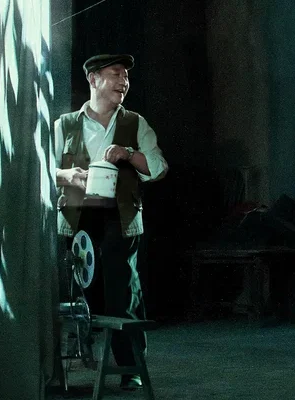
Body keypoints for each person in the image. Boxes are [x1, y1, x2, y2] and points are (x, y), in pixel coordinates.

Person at [54, 53, 168, 390]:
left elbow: (158, 168)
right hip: (78, 216)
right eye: (116, 74)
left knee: (123, 289)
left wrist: (128, 154)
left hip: (121, 216)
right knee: (80, 286)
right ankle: (76, 355)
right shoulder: (65, 124)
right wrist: (68, 176)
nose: (124, 82)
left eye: (126, 76)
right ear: (93, 79)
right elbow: (43, 169)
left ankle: (130, 366)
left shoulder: (135, 123)